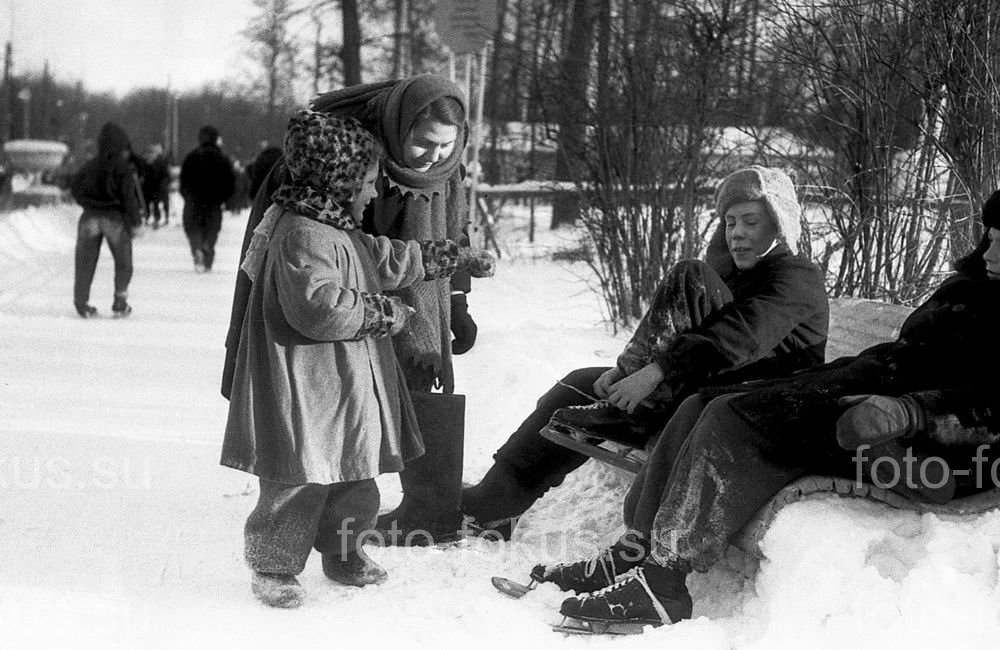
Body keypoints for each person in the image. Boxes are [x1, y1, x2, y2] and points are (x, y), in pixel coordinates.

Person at [538, 191, 1000, 634]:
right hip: (872, 396)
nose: (991, 247)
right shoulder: (974, 286)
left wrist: (911, 412)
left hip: (921, 446)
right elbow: (910, 353)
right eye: (991, 234)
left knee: (736, 421)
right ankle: (634, 550)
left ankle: (664, 586)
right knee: (704, 403)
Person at [462, 166, 830, 538]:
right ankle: (494, 504)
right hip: (707, 390)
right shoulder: (737, 276)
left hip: (754, 408)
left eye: (750, 221)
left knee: (690, 274)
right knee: (579, 384)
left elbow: (735, 337)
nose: (737, 234)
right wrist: (628, 373)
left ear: (779, 224)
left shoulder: (797, 276)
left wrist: (652, 374)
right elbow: (694, 337)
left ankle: (633, 415)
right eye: (730, 222)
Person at [220, 110, 492, 608]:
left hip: (345, 385)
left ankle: (344, 550)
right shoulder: (301, 233)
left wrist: (448, 258)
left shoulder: (337, 228)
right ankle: (274, 565)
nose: (372, 192)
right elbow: (317, 308)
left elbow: (384, 258)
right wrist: (388, 314)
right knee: (297, 477)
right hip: (302, 384)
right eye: (367, 181)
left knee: (356, 472)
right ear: (339, 180)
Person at [70, 121, 144, 318]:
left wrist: (88, 202)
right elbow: (129, 198)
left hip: (89, 217)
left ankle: (81, 302)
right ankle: (120, 300)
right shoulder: (122, 167)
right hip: (114, 218)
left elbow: (75, 188)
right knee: (123, 261)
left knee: (85, 261)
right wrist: (135, 222)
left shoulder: (89, 165)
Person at [180, 125, 235, 272]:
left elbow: (183, 180)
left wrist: (187, 195)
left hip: (194, 200)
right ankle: (207, 250)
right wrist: (223, 198)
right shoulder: (222, 158)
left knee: (193, 228)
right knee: (212, 230)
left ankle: (197, 248)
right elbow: (230, 182)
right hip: (214, 201)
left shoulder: (192, 157)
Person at [141, 143, 171, 228]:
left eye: (151, 153)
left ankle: (160, 218)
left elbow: (165, 174)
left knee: (158, 203)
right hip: (148, 187)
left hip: (158, 187)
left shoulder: (160, 162)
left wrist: (164, 183)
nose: (149, 155)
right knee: (147, 203)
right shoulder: (145, 162)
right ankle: (147, 218)